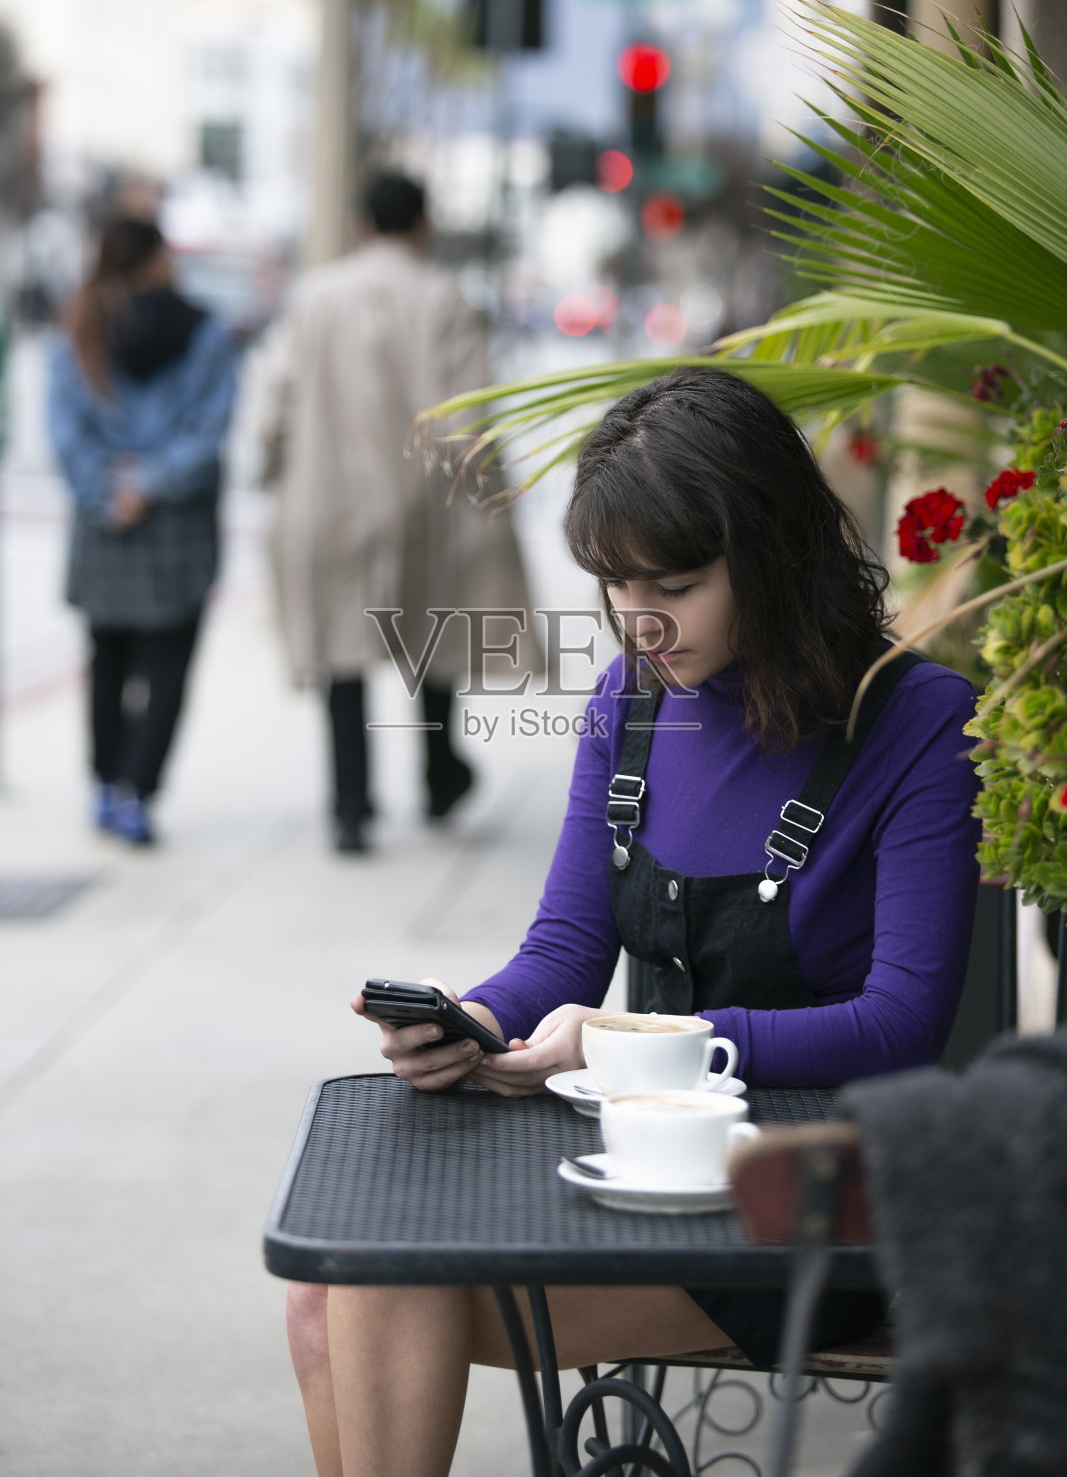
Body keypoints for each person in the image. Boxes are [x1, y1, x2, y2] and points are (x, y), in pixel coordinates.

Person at [286, 367, 982, 1477]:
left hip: (823, 1192)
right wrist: (471, 1019)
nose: (638, 617)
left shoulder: (914, 720)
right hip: (641, 1161)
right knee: (334, 1293)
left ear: (769, 552)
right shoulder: (631, 700)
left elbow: (900, 1021)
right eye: (614, 583)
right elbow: (565, 948)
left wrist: (633, 1044)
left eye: (675, 580)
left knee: (368, 1295)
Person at [257, 170, 535, 853]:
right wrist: (490, 495)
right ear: (422, 225)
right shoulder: (445, 299)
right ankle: (439, 778)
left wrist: (269, 471)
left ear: (361, 223)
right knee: (433, 643)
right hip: (423, 503)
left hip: (327, 499)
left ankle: (350, 809)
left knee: (342, 655)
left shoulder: (313, 298)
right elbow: (468, 415)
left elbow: (274, 401)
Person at [47, 216, 236, 845]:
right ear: (159, 258)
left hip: (105, 524)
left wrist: (109, 490)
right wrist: (152, 484)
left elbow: (64, 431)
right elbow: (209, 431)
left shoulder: (77, 326)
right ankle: (139, 792)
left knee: (107, 657)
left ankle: (104, 784)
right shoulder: (205, 330)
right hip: (178, 523)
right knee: (169, 663)